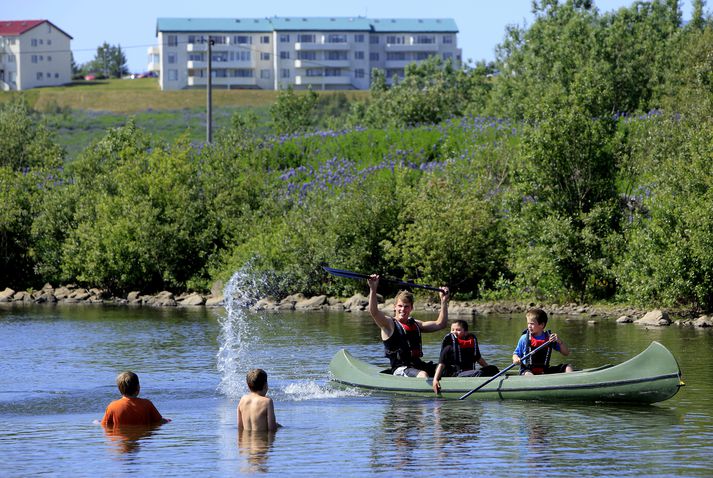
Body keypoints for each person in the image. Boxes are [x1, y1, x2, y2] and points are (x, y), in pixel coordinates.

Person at [367, 274, 450, 378]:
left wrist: (443, 301)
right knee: (423, 375)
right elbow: (374, 312)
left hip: (417, 365)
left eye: (406, 307)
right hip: (400, 369)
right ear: (395, 307)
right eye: (400, 306)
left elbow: (440, 324)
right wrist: (373, 289)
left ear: (411, 308)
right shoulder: (388, 324)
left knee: (447, 368)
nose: (402, 309)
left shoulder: (416, 324)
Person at [432, 319, 499, 394]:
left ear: (466, 332)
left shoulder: (471, 344)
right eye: (452, 330)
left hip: (469, 372)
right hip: (456, 374)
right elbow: (441, 364)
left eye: (458, 330)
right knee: (478, 373)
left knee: (493, 368)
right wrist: (435, 380)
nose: (454, 332)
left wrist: (488, 369)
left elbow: (479, 359)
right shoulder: (449, 346)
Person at [512, 307, 574, 375]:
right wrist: (516, 359)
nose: (529, 326)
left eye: (532, 324)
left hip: (544, 370)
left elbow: (566, 353)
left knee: (568, 367)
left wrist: (559, 341)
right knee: (528, 375)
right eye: (528, 323)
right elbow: (516, 354)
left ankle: (573, 383)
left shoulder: (550, 338)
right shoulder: (524, 338)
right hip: (527, 370)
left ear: (542, 325)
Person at [101, 371, 169, 428]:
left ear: (119, 389)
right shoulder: (147, 404)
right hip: (143, 439)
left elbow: (105, 425)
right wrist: (168, 420)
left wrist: (96, 422)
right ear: (138, 388)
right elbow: (159, 421)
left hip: (120, 438)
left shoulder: (112, 406)